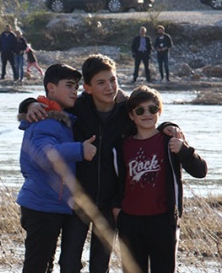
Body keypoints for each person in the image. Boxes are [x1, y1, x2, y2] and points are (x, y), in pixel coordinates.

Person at [19, 54, 181, 273]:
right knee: (68, 263)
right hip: (78, 201)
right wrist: (29, 104)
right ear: (87, 87)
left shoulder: (126, 112)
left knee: (99, 266)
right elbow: (50, 107)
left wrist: (168, 126)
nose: (109, 87)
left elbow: (148, 119)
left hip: (110, 202)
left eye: (113, 80)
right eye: (101, 83)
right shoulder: (76, 109)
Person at [109, 85, 207, 273]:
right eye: (140, 110)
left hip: (162, 221)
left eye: (152, 109)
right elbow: (116, 181)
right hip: (130, 221)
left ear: (159, 111)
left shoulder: (169, 141)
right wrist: (116, 209)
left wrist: (184, 150)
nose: (147, 114)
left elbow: (200, 171)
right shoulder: (121, 146)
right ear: (131, 115)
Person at [17, 63, 97, 273]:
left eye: (77, 87)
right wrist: (80, 150)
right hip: (42, 205)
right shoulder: (45, 120)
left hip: (52, 203)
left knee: (44, 264)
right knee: (37, 265)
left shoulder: (60, 118)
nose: (74, 91)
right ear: (51, 88)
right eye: (69, 85)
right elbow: (44, 155)